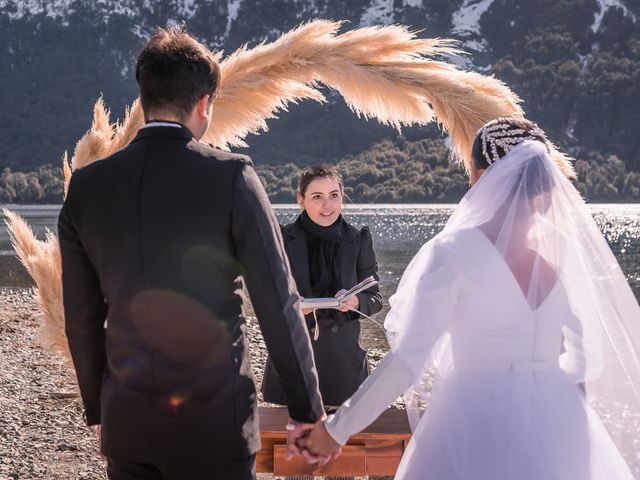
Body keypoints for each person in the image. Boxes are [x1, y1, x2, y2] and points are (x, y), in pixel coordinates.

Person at [296, 118, 640, 479]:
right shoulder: (561, 249)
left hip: (475, 416)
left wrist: (336, 430)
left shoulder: (455, 251)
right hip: (560, 417)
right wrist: (550, 395)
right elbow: (586, 355)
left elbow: (408, 362)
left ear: (479, 177)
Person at [58, 26, 324, 480]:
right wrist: (308, 411)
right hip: (214, 425)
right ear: (205, 103)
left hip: (128, 425)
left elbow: (80, 317)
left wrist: (101, 409)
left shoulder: (86, 186)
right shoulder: (232, 177)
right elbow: (278, 303)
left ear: (143, 101)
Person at [262, 165, 383, 409]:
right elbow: (265, 297)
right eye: (317, 197)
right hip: (294, 359)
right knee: (287, 443)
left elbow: (375, 296)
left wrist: (356, 302)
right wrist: (291, 306)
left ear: (342, 195)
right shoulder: (281, 238)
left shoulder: (359, 239)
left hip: (345, 364)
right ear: (301, 200)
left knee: (346, 445)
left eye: (334, 195)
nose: (327, 205)